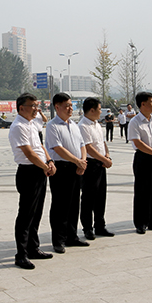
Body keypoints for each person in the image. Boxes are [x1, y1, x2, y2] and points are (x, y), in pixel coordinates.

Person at [9, 93, 56, 270]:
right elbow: (29, 153)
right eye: (33, 106)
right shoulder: (18, 126)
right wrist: (45, 166)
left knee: (36, 212)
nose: (36, 109)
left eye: (37, 106)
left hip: (40, 170)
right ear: (21, 108)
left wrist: (49, 161)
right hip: (28, 172)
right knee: (26, 214)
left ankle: (33, 248)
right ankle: (21, 254)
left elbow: (40, 146)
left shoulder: (32, 124)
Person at [46, 93, 88, 253]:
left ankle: (72, 236)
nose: (70, 108)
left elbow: (82, 144)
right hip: (61, 168)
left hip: (76, 168)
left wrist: (82, 161)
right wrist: (77, 161)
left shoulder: (74, 125)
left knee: (74, 204)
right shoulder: (52, 126)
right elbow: (58, 148)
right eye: (67, 106)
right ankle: (59, 240)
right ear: (57, 107)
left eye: (71, 105)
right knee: (60, 205)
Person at [128, 92, 152, 234]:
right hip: (143, 158)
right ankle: (141, 223)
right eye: (151, 102)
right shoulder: (135, 122)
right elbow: (138, 142)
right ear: (143, 104)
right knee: (142, 191)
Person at [78, 97, 114, 240]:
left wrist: (107, 156)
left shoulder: (96, 124)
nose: (101, 112)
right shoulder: (83, 126)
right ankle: (87, 228)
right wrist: (104, 159)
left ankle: (100, 225)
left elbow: (102, 142)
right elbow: (88, 148)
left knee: (100, 196)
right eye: (99, 109)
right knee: (88, 197)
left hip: (101, 163)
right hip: (90, 164)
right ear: (91, 110)